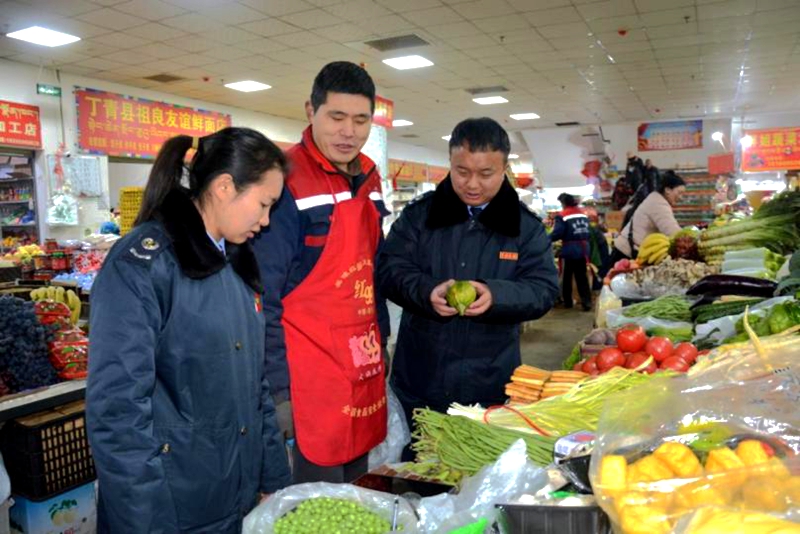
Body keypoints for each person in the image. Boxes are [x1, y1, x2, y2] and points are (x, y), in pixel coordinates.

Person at [87, 128, 291, 534]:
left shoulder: (237, 265)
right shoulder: (144, 265)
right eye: (264, 204)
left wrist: (273, 480)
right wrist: (146, 521)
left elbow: (257, 386)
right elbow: (118, 412)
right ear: (224, 186)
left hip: (232, 495)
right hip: (171, 507)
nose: (266, 221)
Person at [252, 61, 389, 484]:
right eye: (337, 117)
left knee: (358, 493)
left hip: (359, 363)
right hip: (307, 374)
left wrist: (382, 345)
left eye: (361, 120)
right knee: (315, 502)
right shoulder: (286, 179)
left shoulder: (369, 175)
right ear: (310, 111)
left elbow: (372, 273)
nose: (349, 131)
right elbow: (264, 293)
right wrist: (279, 392)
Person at [378, 117, 559, 432]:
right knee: (414, 472)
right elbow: (389, 268)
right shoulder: (420, 216)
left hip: (489, 381)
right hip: (420, 378)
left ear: (504, 169)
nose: (472, 184)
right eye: (462, 172)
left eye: (486, 174)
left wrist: (496, 295)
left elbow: (543, 288)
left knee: (479, 469)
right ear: (451, 162)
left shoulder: (524, 227)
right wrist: (425, 291)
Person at [612, 171, 687, 262]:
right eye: (679, 193)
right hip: (625, 254)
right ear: (667, 190)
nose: (681, 197)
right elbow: (673, 232)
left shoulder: (655, 198)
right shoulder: (658, 204)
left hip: (627, 250)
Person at [550, 193, 592, 311]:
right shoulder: (582, 214)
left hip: (570, 249)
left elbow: (558, 233)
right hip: (584, 248)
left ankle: (567, 302)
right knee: (582, 276)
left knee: (566, 276)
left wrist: (545, 239)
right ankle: (586, 302)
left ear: (564, 203)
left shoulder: (563, 215)